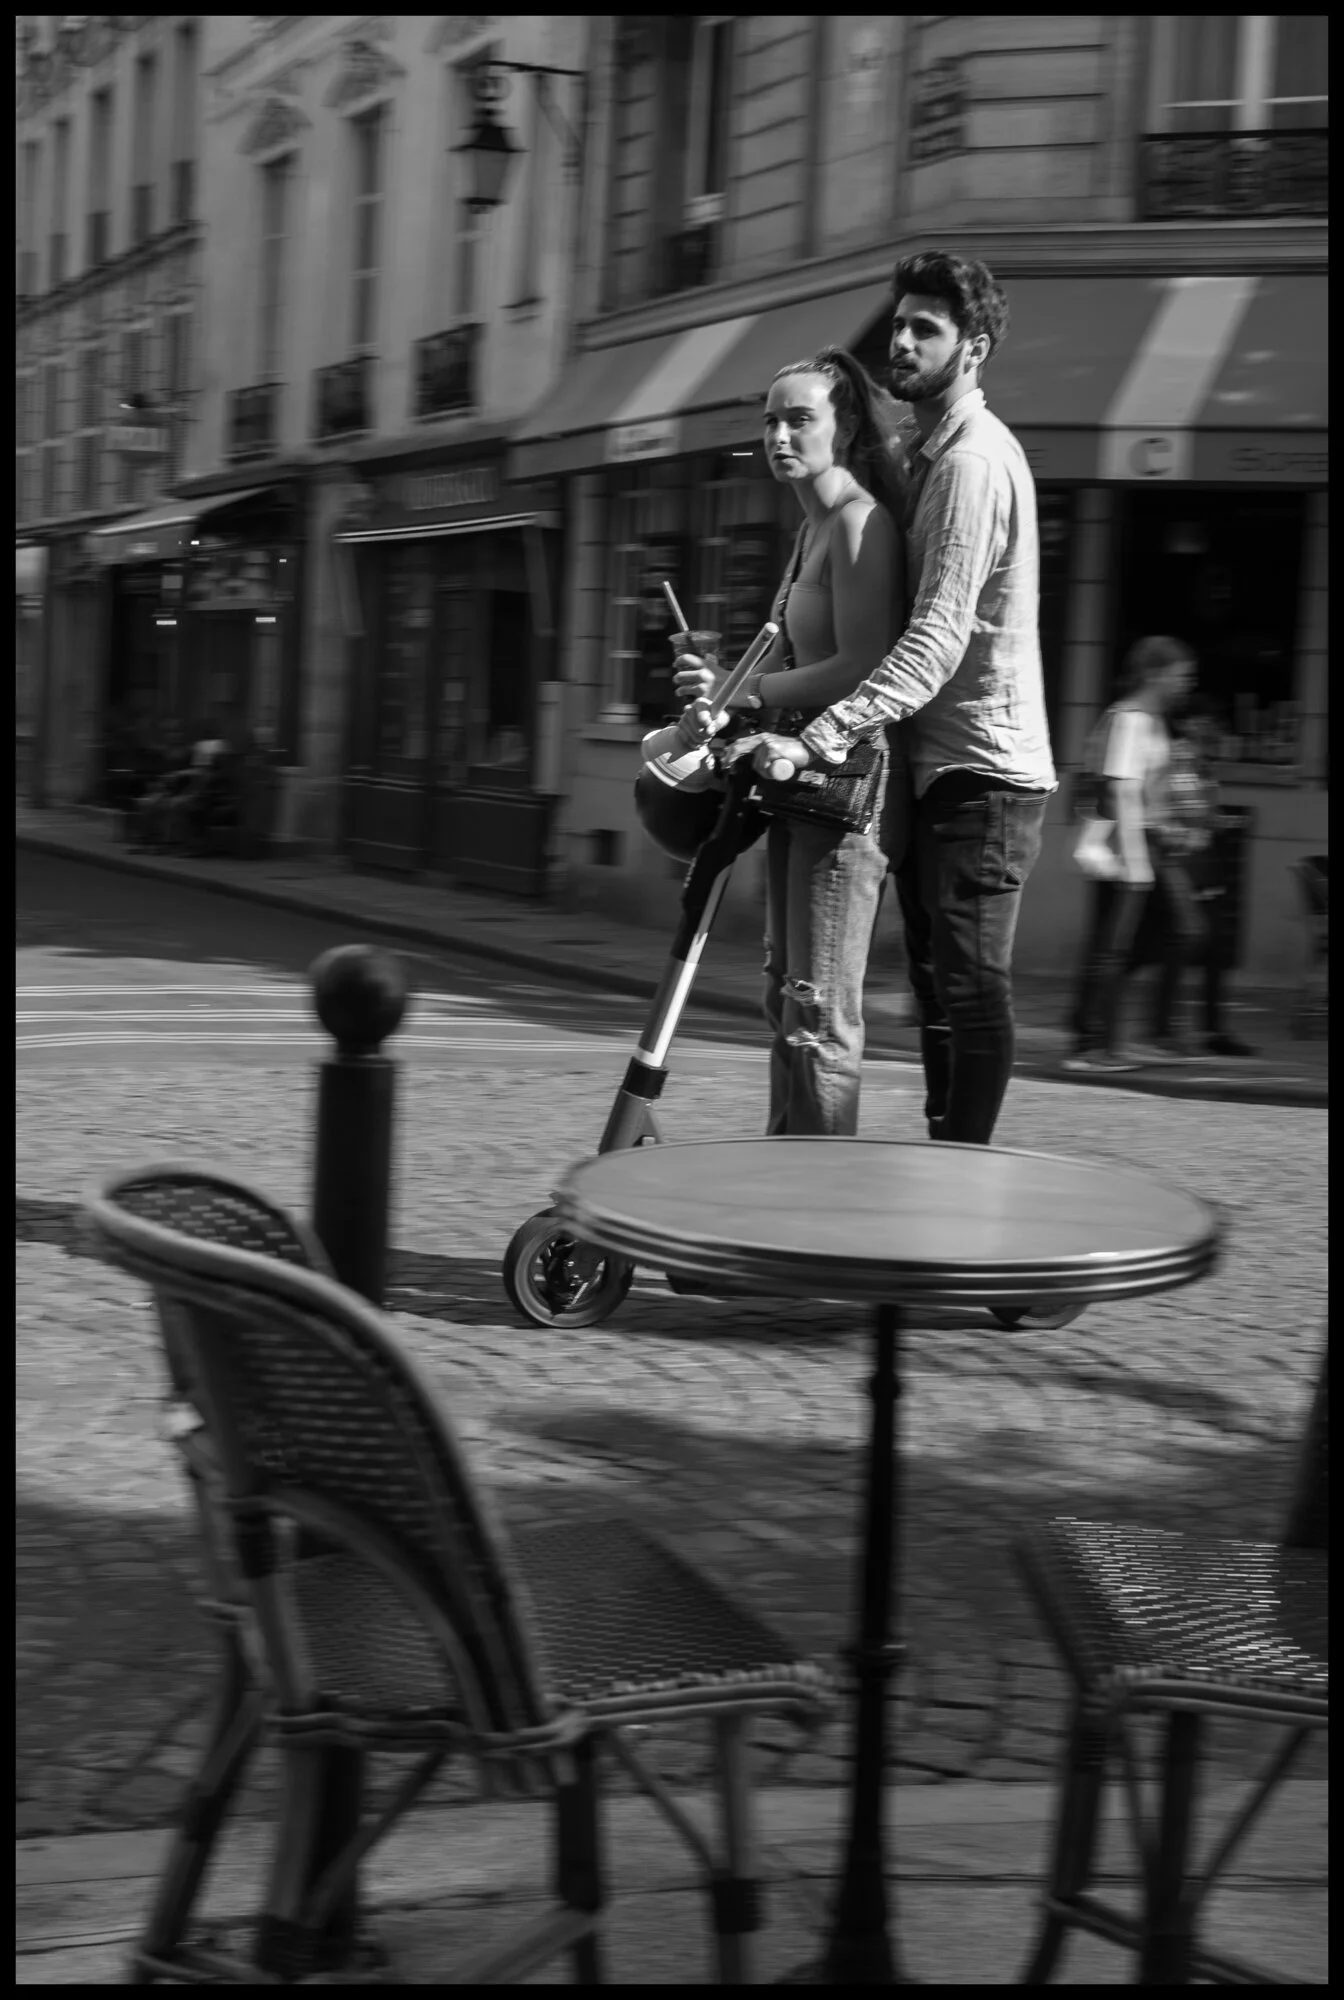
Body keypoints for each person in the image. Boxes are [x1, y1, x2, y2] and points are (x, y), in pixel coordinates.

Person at [724, 251, 1055, 1146]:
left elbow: (934, 640)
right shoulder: (918, 453)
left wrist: (817, 733)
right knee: (930, 993)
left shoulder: (972, 465)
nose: (901, 341)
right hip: (923, 760)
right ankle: (926, 1188)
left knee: (970, 987)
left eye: (926, 330)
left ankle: (966, 1183)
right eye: (900, 324)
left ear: (973, 349)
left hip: (982, 768)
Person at [672, 345, 909, 1135]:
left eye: (799, 419)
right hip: (790, 776)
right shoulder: (810, 530)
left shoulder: (857, 522)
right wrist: (720, 697)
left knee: (820, 1011)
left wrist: (757, 696)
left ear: (841, 429)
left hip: (842, 791)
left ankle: (821, 1204)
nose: (779, 434)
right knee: (784, 990)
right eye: (770, 419)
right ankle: (787, 1173)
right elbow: (785, 650)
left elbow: (861, 664)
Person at [1063, 636, 1199, 1072]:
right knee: (1113, 945)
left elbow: (1152, 787)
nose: (1187, 685)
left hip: (1149, 839)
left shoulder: (1153, 720)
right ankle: (1090, 1045)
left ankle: (1096, 1019)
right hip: (1125, 843)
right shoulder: (1129, 719)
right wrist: (1135, 859)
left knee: (1176, 930)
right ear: (1155, 674)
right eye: (1181, 676)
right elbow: (1120, 789)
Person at [1126, 698, 1258, 1059]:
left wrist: (1217, 822)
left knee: (1211, 948)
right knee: (1175, 941)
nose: (1214, 734)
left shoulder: (1202, 766)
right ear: (1191, 728)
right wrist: (1190, 827)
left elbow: (1204, 813)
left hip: (1202, 864)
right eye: (1207, 726)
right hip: (1177, 865)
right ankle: (1154, 1029)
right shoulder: (1177, 760)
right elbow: (1169, 810)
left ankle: (1212, 1030)